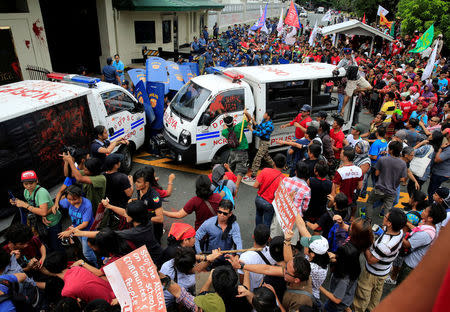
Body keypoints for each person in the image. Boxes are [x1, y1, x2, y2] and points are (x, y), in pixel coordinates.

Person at [353, 208, 407, 312]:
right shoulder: (399, 231)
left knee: (362, 293)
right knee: (376, 293)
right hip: (384, 271)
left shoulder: (385, 245)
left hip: (372, 273)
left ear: (390, 223)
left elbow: (371, 260)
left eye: (386, 216)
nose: (384, 215)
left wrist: (365, 244)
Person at [320, 218, 373, 312]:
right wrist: (341, 223)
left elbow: (337, 299)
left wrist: (319, 287)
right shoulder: (360, 245)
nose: (349, 227)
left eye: (351, 227)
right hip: (348, 296)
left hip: (337, 304)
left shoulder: (343, 278)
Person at [10, 170, 62, 252]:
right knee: (48, 243)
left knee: (56, 245)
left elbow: (43, 212)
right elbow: (33, 205)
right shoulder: (26, 192)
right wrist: (17, 202)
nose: (29, 186)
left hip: (52, 221)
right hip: (42, 220)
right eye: (25, 184)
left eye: (31, 183)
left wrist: (25, 205)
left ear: (37, 181)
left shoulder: (41, 193)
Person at [397, 204, 447, 285]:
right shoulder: (432, 226)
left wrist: (396, 233)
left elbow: (407, 244)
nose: (422, 211)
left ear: (430, 218)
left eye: (425, 211)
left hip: (411, 266)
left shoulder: (425, 235)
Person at [42, 251, 116, 304]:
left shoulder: (66, 291)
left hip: (108, 305)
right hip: (116, 290)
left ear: (51, 271)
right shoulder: (77, 268)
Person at [366, 141, 407, 221]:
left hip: (380, 188)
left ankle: (368, 220)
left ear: (390, 150)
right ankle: (385, 226)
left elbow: (377, 173)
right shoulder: (403, 163)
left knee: (370, 202)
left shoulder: (382, 159)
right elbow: (403, 179)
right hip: (392, 191)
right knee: (387, 211)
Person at [57, 185, 97, 266]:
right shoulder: (67, 201)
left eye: (74, 199)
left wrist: (70, 231)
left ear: (80, 196)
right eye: (69, 199)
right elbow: (59, 202)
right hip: (76, 229)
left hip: (87, 230)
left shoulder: (87, 205)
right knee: (85, 246)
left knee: (86, 252)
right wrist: (55, 205)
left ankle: (95, 265)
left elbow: (85, 223)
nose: (71, 202)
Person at [335, 48, 372, 116]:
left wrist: (360, 67)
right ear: (345, 54)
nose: (349, 55)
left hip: (358, 77)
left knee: (370, 87)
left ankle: (356, 90)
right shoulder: (343, 61)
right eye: (347, 54)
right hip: (351, 80)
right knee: (348, 96)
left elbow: (357, 63)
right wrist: (335, 70)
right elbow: (337, 67)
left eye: (349, 54)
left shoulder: (353, 58)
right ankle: (342, 109)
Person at [237, 224, 275, 291]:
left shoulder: (244, 257)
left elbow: (242, 281)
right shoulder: (273, 253)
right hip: (267, 291)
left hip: (251, 292)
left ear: (253, 237)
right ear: (269, 239)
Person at [254, 154, 286, 227]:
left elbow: (255, 185)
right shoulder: (284, 179)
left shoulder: (265, 170)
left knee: (258, 215)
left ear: (274, 163)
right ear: (284, 166)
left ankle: (257, 233)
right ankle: (265, 236)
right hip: (270, 203)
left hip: (259, 198)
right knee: (267, 222)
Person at [102, 153, 133, 230]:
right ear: (115, 165)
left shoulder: (102, 175)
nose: (120, 162)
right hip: (121, 209)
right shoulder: (122, 177)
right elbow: (129, 194)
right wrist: (131, 182)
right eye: (119, 161)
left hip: (109, 206)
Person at [243, 110, 275, 182]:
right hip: (262, 142)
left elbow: (260, 133)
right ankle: (275, 167)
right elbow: (259, 127)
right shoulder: (264, 121)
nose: (264, 114)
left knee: (257, 158)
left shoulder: (270, 126)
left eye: (265, 114)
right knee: (266, 157)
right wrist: (254, 121)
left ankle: (253, 176)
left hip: (265, 143)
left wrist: (251, 129)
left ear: (268, 116)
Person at [222, 115, 250, 192]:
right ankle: (235, 188)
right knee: (240, 170)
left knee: (231, 168)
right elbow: (249, 119)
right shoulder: (238, 127)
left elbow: (225, 128)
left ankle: (227, 185)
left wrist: (225, 122)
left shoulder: (225, 132)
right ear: (233, 122)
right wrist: (246, 113)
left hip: (232, 152)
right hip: (242, 151)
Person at [332, 147, 363, 213]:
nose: (340, 154)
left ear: (346, 157)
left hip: (341, 197)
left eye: (341, 153)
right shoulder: (359, 170)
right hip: (352, 195)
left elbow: (335, 187)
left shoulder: (340, 171)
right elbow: (360, 186)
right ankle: (352, 217)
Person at [427, 128, 450, 199]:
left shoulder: (448, 149)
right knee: (432, 192)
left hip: (440, 174)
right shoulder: (446, 144)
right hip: (439, 172)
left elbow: (437, 159)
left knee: (433, 193)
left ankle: (432, 208)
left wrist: (440, 149)